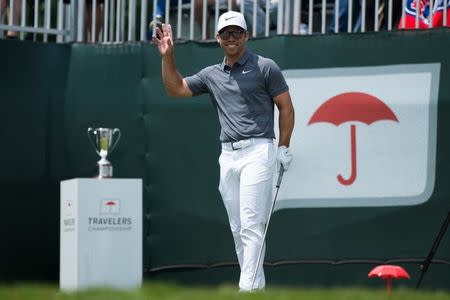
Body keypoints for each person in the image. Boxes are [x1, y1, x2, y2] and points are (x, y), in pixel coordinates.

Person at [153, 10, 294, 291]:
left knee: (252, 225)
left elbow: (286, 108)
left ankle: (246, 289)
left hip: (259, 151)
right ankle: (256, 289)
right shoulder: (211, 75)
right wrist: (167, 56)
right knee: (238, 229)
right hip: (228, 156)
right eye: (226, 33)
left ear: (246, 36)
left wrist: (283, 147)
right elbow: (176, 88)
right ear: (217, 38)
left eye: (237, 32)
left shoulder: (266, 67)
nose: (232, 38)